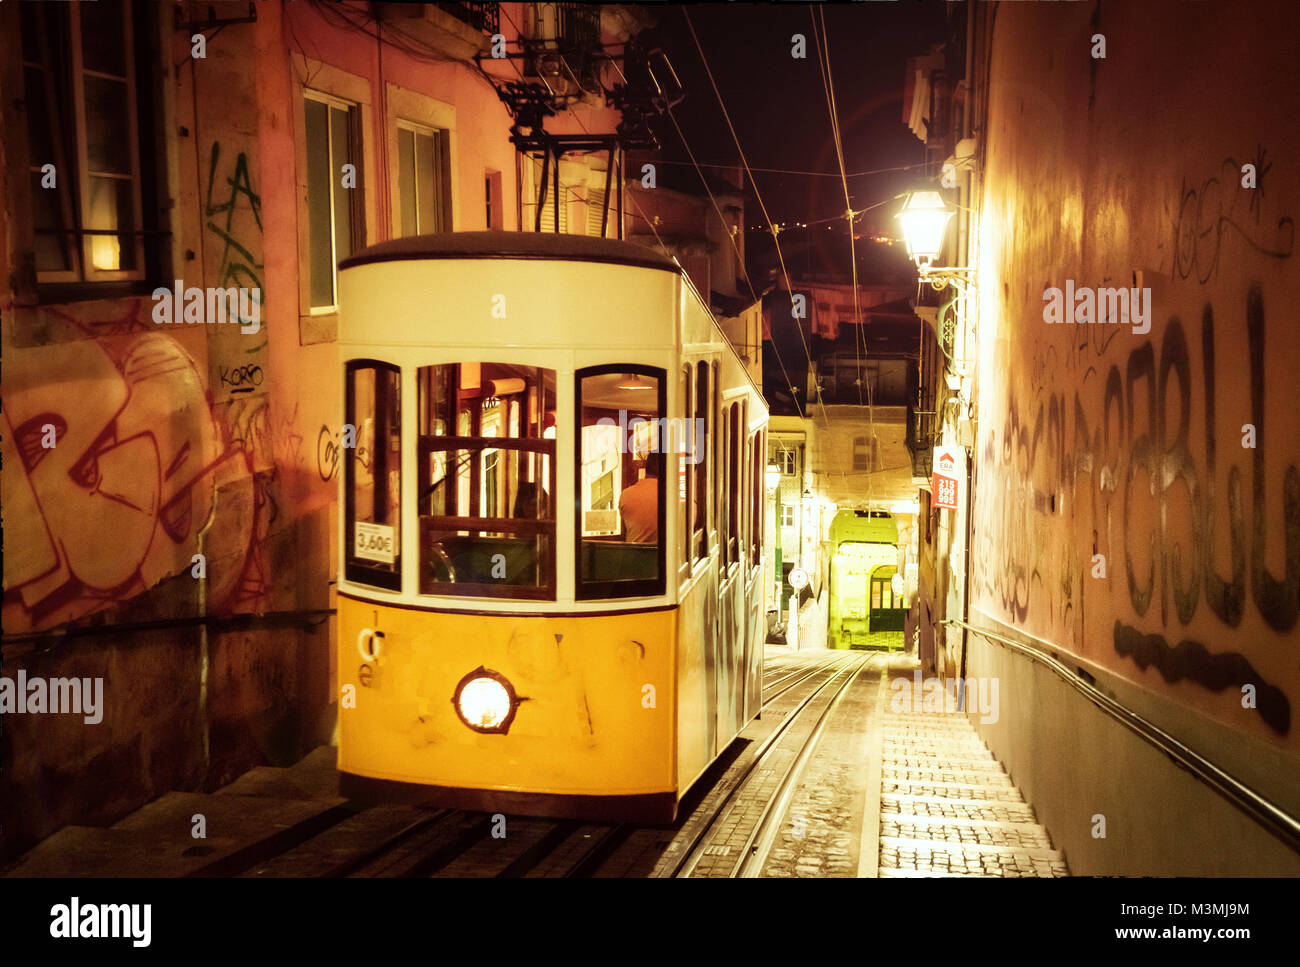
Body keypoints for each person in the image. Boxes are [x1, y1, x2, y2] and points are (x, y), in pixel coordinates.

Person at [619, 452, 659, 543]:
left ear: (646, 467)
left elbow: (625, 531)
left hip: (634, 555)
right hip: (668, 555)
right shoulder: (679, 497)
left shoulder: (626, 494)